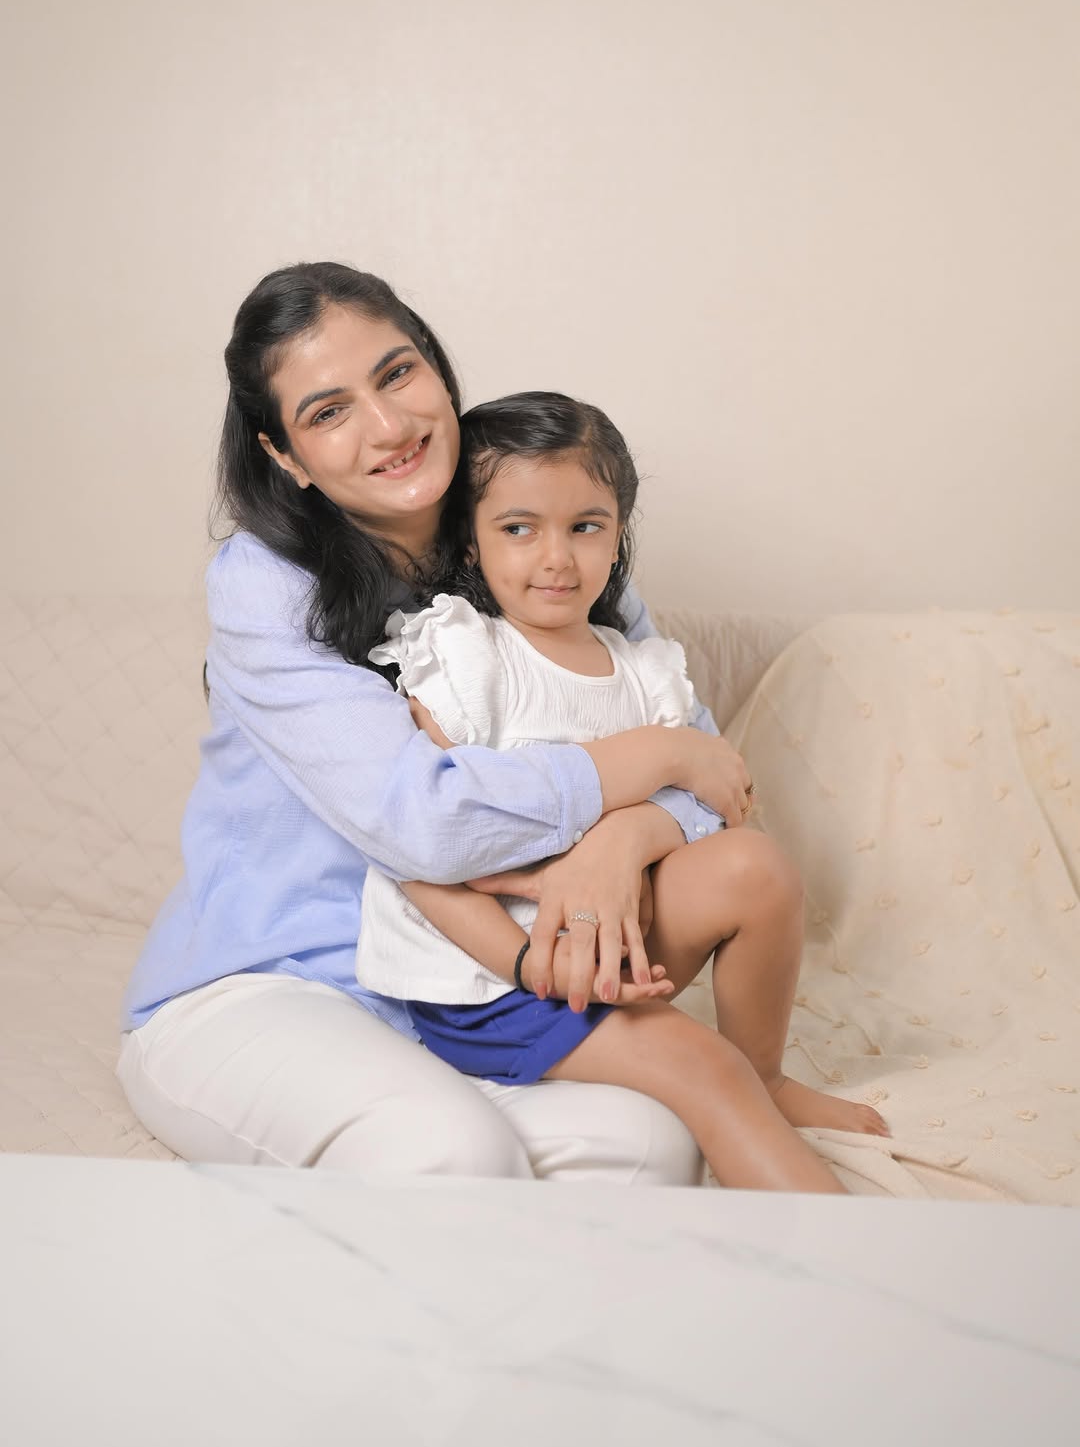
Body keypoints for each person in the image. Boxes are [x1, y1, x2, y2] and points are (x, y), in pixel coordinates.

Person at [117, 261, 755, 1182]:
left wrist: (625, 841)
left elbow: (714, 777)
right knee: (452, 1151)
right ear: (285, 456)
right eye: (328, 412)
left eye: (397, 373)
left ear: (437, 368)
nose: (387, 426)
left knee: (653, 1142)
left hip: (458, 990)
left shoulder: (531, 520)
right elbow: (424, 822)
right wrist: (651, 758)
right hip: (273, 981)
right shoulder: (264, 583)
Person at [358, 392, 889, 1194]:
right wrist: (527, 962)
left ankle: (766, 1073)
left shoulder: (644, 672)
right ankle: (845, 1251)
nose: (556, 557)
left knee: (756, 865)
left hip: (616, 938)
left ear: (618, 536)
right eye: (519, 528)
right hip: (488, 982)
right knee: (705, 1068)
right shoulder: (465, 657)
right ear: (471, 538)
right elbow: (414, 855)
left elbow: (718, 802)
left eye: (585, 526)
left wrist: (639, 829)